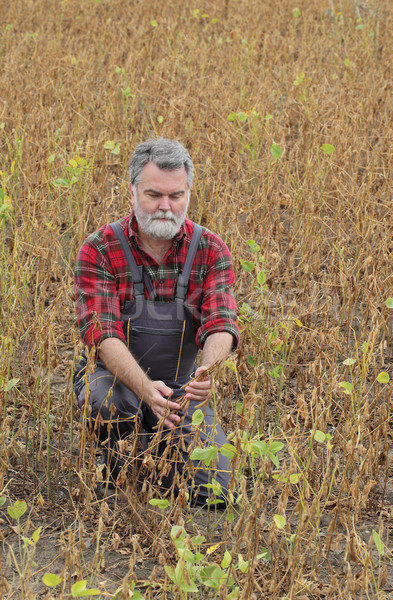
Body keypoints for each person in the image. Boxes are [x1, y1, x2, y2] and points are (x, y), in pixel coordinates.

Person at [73, 138, 239, 506]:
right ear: (132, 192)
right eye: (153, 195)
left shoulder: (211, 250)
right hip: (113, 379)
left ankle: (158, 438)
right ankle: (116, 454)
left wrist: (209, 366)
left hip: (179, 388)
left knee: (214, 491)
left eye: (176, 196)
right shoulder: (100, 248)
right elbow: (101, 334)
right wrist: (146, 389)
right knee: (108, 403)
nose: (166, 206)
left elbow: (221, 322)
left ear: (188, 194)